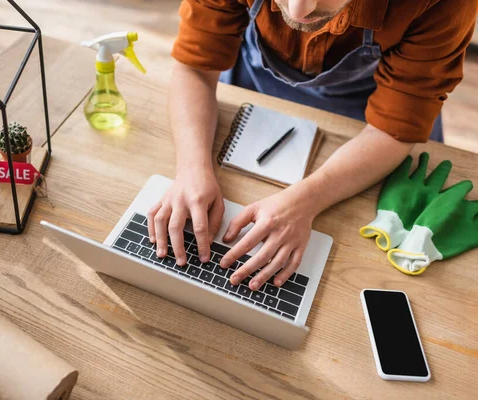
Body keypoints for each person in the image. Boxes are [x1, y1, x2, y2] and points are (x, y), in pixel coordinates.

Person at [147, 0, 477, 291]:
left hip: (371, 111)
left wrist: (303, 202)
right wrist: (192, 168)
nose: (298, 10)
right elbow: (195, 68)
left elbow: (394, 130)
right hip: (258, 78)